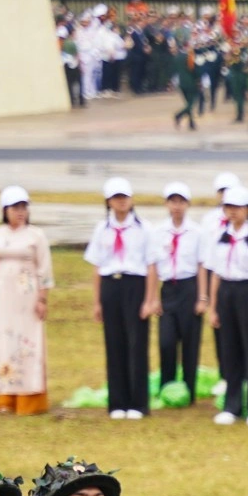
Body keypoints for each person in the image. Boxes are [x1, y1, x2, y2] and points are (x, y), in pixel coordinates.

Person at [202, 184, 248, 427]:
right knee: (229, 350)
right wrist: (213, 307)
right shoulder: (219, 236)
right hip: (226, 293)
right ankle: (231, 405)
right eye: (228, 207)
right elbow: (216, 274)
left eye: (237, 207)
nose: (232, 212)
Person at [85, 177, 153, 419]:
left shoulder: (144, 228)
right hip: (110, 285)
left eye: (125, 197)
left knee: (137, 344)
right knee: (114, 344)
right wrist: (97, 302)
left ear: (131, 199)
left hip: (135, 285)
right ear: (108, 202)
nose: (121, 202)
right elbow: (96, 266)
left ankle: (138, 403)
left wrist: (150, 299)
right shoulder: (101, 229)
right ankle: (117, 402)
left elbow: (151, 265)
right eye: (116, 198)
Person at [0, 186, 52, 415]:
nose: (20, 211)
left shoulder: (36, 236)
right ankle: (5, 396)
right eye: (15, 207)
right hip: (4, 295)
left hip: (27, 295)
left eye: (24, 207)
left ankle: (29, 397)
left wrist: (42, 299)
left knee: (27, 340)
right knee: (4, 341)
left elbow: (44, 269)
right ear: (5, 210)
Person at [148, 183, 203, 406]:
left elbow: (202, 266)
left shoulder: (197, 232)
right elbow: (152, 265)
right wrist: (153, 297)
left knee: (190, 341)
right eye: (173, 201)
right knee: (166, 341)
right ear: (166, 204)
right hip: (168, 288)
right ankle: (167, 386)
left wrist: (202, 297)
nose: (177, 206)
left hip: (189, 287)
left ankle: (189, 389)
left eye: (181, 202)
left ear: (187, 204)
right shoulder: (158, 232)